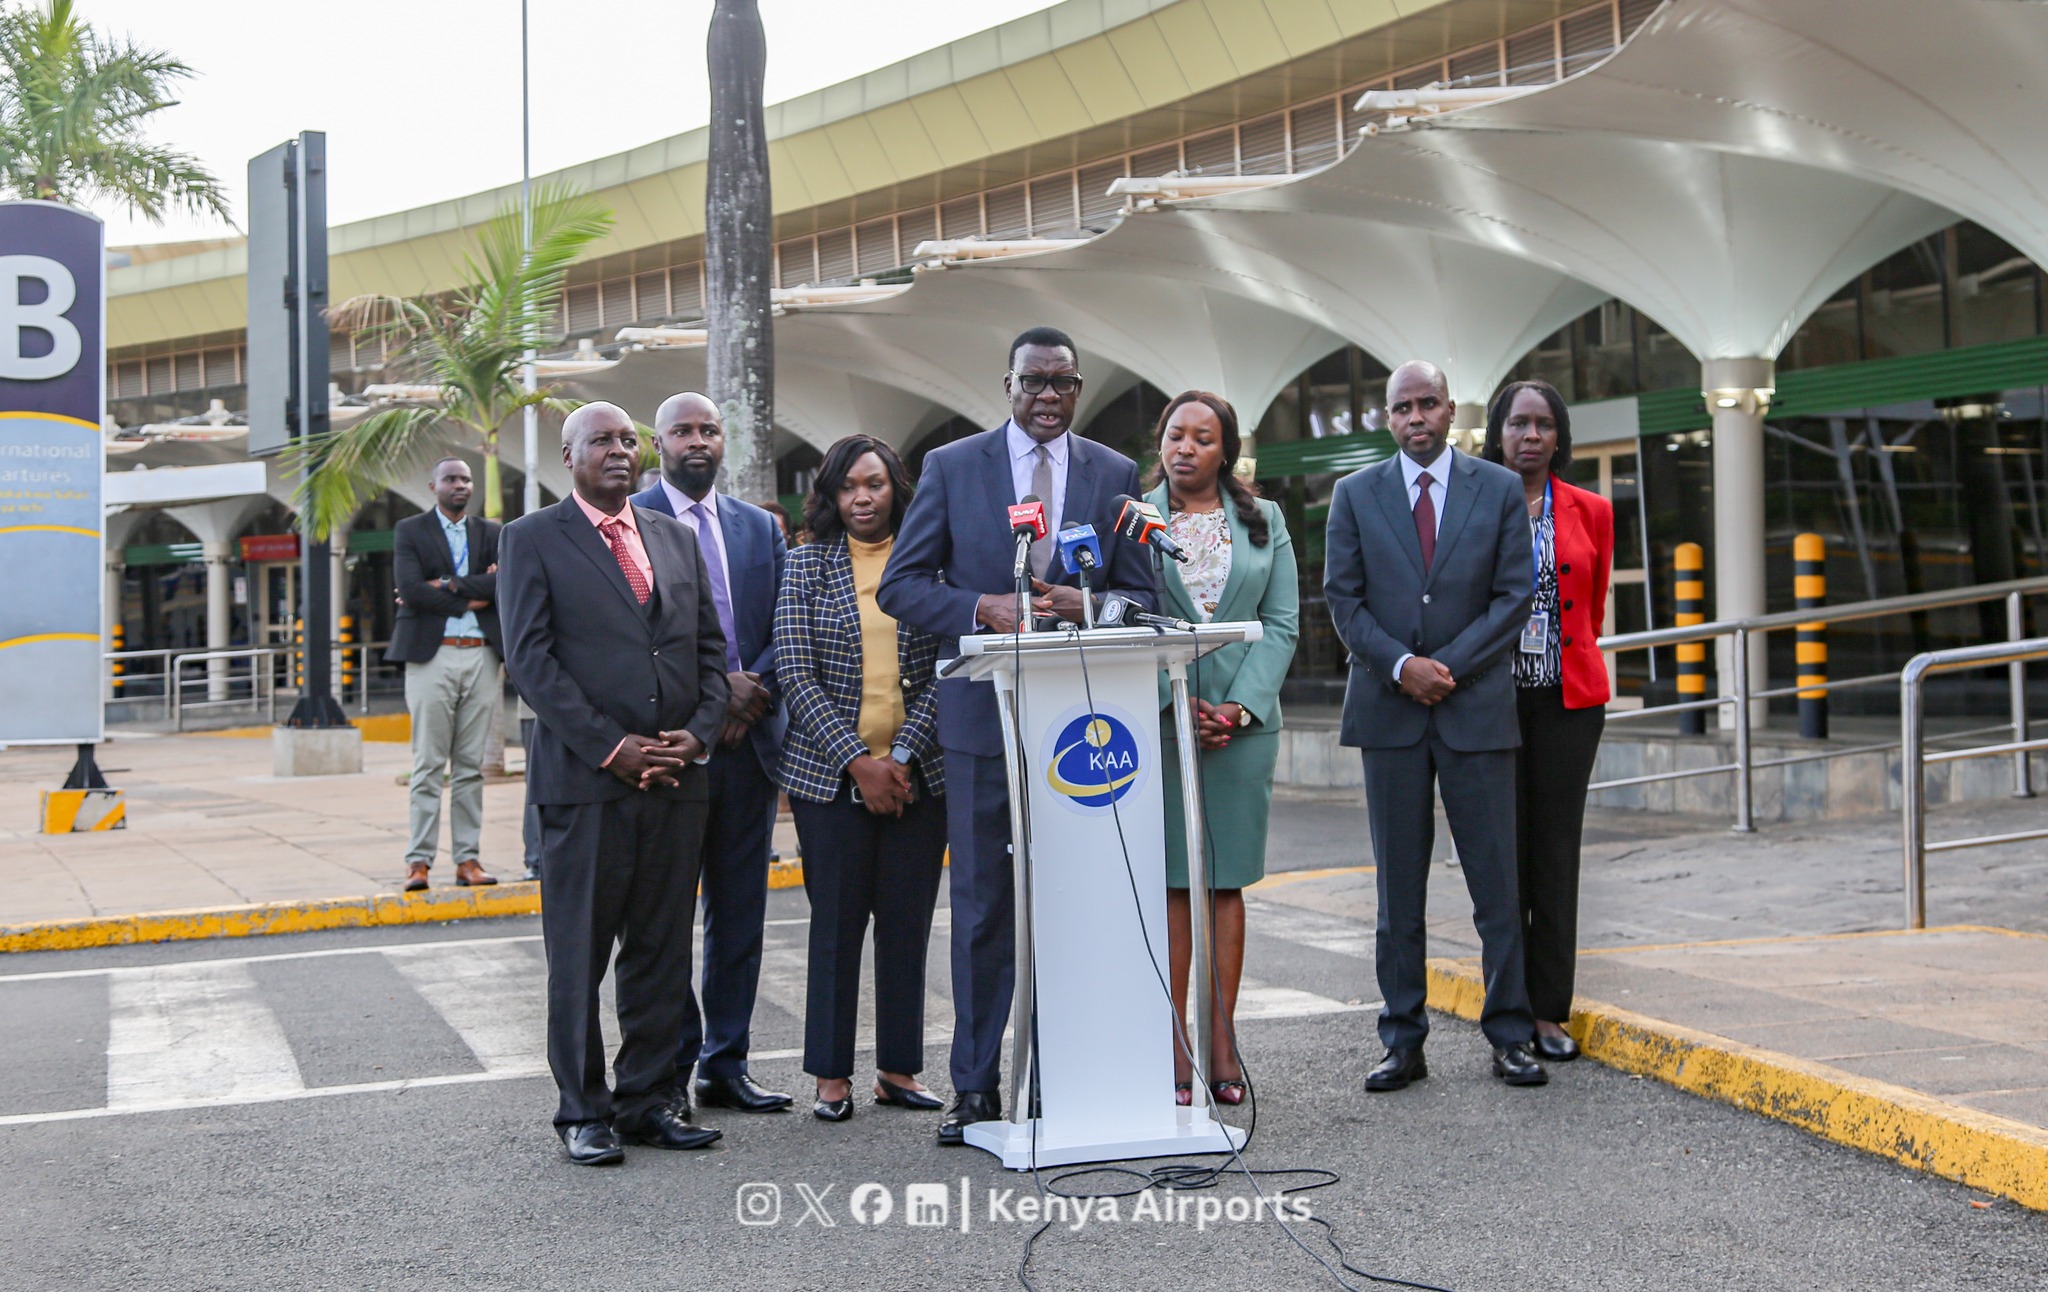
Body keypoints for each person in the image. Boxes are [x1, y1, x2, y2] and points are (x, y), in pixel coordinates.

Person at [878, 325, 1160, 1145]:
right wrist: (983, 608)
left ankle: (1062, 1078)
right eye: (1033, 381)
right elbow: (901, 585)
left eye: (1062, 383)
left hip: (1084, 723)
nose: (1047, 396)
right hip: (982, 721)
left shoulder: (1115, 474)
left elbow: (1144, 597)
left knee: (1076, 901)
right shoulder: (951, 466)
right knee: (983, 909)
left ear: (1078, 390)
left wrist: (1090, 605)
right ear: (1007, 386)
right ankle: (975, 1088)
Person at [498, 402, 731, 1165]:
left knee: (661, 953)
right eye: (601, 441)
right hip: (586, 786)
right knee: (579, 957)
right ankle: (582, 1112)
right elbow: (531, 663)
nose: (619, 451)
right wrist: (612, 748)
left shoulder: (674, 536)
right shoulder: (532, 538)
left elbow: (708, 651)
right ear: (569, 457)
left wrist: (698, 734)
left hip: (675, 780)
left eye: (629, 440)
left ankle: (649, 1100)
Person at [1322, 360, 1548, 1091]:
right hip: (1389, 715)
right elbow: (1343, 600)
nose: (1415, 418)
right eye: (1402, 408)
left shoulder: (1499, 488)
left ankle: (1510, 1035)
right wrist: (1401, 667)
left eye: (1427, 404)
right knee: (1398, 892)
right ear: (1387, 418)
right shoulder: (1355, 494)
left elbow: (1514, 595)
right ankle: (1402, 1039)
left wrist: (1444, 667)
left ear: (1451, 411)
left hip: (1475, 710)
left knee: (1496, 887)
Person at [629, 392, 794, 1116]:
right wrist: (712, 697)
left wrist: (749, 689)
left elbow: (787, 620)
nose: (697, 441)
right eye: (682, 431)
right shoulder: (630, 521)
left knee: (739, 915)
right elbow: (633, 636)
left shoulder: (757, 527)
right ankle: (673, 1065)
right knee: (665, 917)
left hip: (748, 745)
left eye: (709, 430)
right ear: (658, 443)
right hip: (676, 747)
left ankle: (726, 1064)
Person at [776, 435, 948, 1122]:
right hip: (827, 778)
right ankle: (830, 1075)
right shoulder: (804, 564)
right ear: (830, 495)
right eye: (848, 486)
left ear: (896, 489)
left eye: (874, 483)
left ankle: (898, 1071)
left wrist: (900, 757)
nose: (862, 498)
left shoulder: (929, 564)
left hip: (917, 776)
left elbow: (948, 666)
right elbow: (795, 672)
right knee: (836, 927)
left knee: (906, 925)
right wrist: (859, 761)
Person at [1143, 391, 1299, 1108]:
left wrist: (1236, 708)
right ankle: (1171, 1042)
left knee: (1225, 882)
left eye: (1202, 438)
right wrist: (1177, 703)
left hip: (1242, 728)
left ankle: (1221, 1040)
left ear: (1225, 452)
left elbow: (1282, 623)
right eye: (1176, 434)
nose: (1186, 448)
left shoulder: (1266, 521)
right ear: (1161, 442)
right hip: (1161, 720)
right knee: (1175, 883)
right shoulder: (1135, 519)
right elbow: (1121, 618)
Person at [1481, 378, 1613, 1064]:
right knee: (1504, 859)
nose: (1530, 435)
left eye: (1543, 424)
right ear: (1497, 434)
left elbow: (1592, 605)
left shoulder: (1593, 510)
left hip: (1567, 704)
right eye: (1517, 423)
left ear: (1559, 437)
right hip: (1492, 705)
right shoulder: (1475, 505)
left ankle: (1548, 1009)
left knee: (1556, 855)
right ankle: (1507, 1010)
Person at [387, 456, 501, 891]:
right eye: (451, 479)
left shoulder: (492, 533)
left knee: (470, 766)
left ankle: (467, 860)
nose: (460, 485)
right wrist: (472, 592)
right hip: (430, 657)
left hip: (481, 656)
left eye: (466, 479)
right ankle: (418, 862)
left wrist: (448, 584)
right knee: (428, 764)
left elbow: (501, 585)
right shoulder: (410, 531)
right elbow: (411, 590)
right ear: (433, 486)